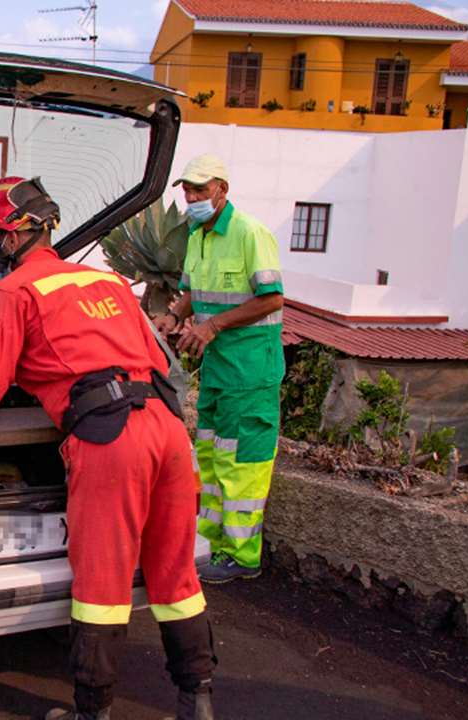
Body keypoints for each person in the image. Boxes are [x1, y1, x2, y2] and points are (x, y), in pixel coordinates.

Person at [0, 177, 216, 720]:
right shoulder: (107, 283)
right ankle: (199, 700)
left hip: (110, 440)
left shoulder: (13, 293)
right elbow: (158, 365)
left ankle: (91, 713)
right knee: (176, 575)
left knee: (102, 582)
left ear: (14, 237)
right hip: (167, 429)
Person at [155, 154, 285, 584]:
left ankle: (243, 556)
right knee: (211, 456)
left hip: (250, 371)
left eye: (199, 189)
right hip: (217, 370)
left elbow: (271, 299)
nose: (191, 197)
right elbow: (193, 291)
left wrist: (212, 325)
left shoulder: (250, 233)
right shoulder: (197, 235)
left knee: (242, 464)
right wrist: (175, 315)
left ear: (221, 190)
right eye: (187, 190)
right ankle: (214, 544)